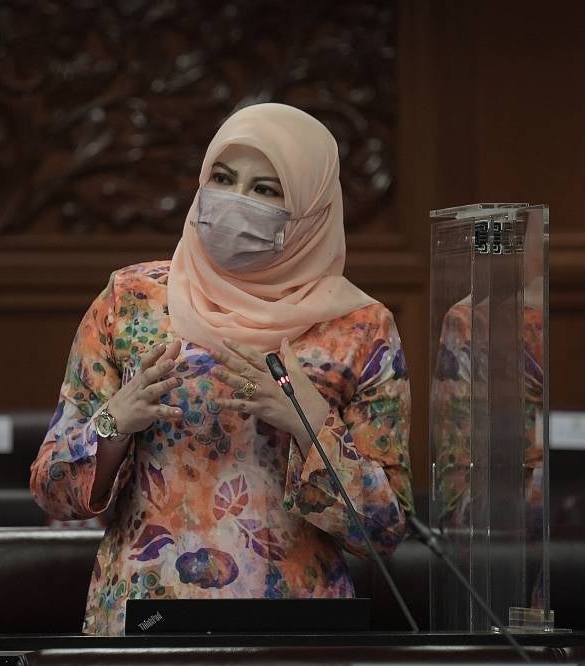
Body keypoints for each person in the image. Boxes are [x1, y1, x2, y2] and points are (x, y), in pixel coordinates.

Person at [30, 103, 412, 636]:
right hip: (146, 614)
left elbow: (385, 529)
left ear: (311, 207)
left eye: (266, 190)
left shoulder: (360, 329)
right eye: (223, 178)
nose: (236, 201)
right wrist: (114, 422)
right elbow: (51, 489)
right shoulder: (131, 300)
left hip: (296, 625)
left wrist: (311, 425)